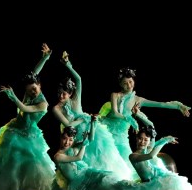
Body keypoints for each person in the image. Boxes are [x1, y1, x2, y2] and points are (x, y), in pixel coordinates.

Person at [0, 43, 56, 190]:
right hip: (15, 131)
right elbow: (34, 73)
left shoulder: (43, 103)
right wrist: (44, 58)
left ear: (40, 87)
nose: (32, 92)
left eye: (34, 89)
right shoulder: (29, 89)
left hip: (29, 135)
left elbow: (24, 108)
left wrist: (13, 96)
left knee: (32, 167)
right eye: (29, 90)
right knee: (11, 166)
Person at [51, 51, 134, 180]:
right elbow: (67, 124)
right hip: (77, 135)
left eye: (64, 94)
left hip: (92, 130)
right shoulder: (56, 108)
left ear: (70, 93)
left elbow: (78, 79)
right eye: (59, 93)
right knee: (84, 162)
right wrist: (82, 118)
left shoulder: (75, 99)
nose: (61, 96)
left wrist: (68, 65)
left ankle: (112, 180)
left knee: (103, 157)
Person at [99, 66, 191, 176]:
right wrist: (130, 119)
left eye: (130, 82)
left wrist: (178, 106)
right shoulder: (115, 95)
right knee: (104, 159)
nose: (128, 85)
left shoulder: (138, 100)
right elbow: (114, 113)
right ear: (120, 84)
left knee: (128, 165)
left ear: (134, 81)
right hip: (106, 131)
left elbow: (160, 104)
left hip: (121, 136)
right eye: (125, 83)